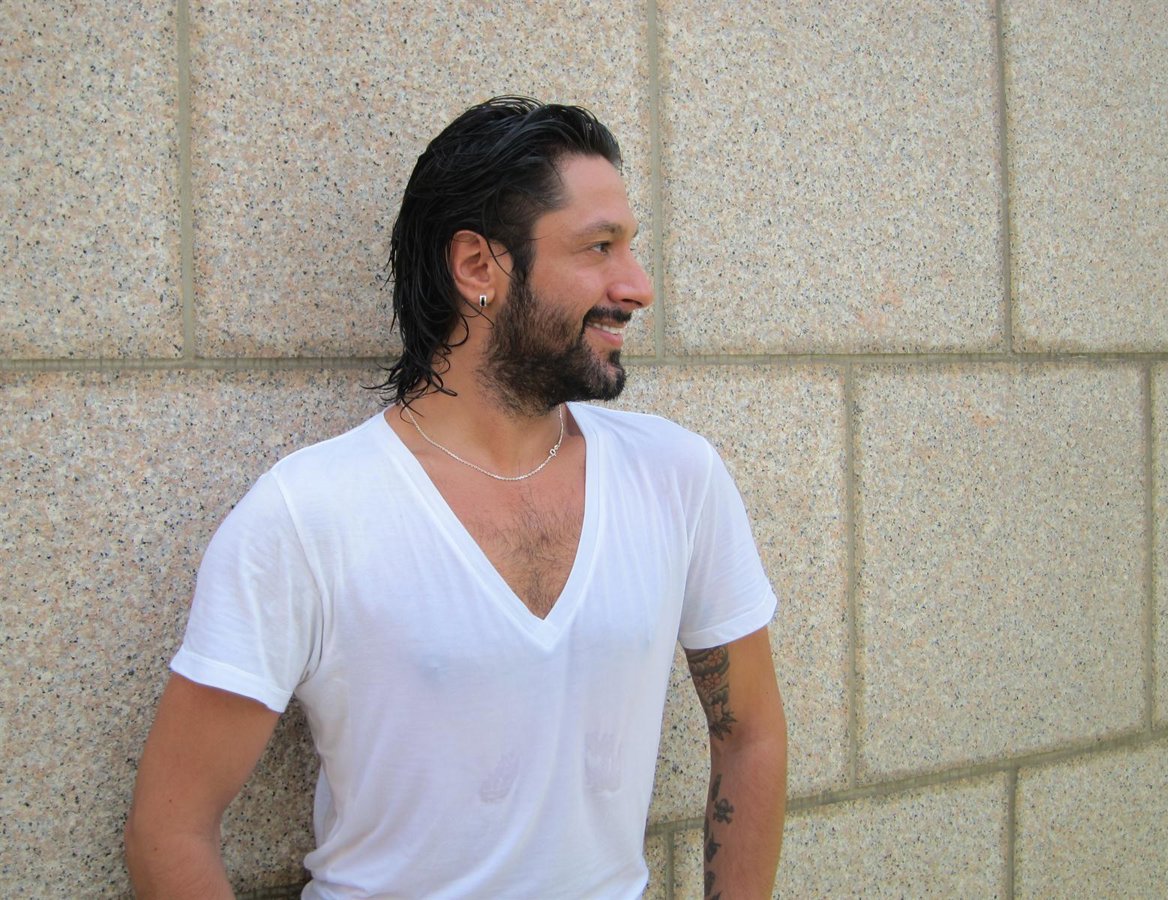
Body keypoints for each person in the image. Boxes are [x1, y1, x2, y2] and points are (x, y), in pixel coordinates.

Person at [125, 96, 786, 899]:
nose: (638, 286)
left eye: (631, 247)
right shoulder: (309, 515)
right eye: (599, 247)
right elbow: (170, 829)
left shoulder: (678, 477)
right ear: (477, 267)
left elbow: (749, 735)